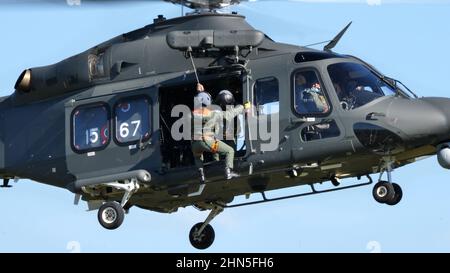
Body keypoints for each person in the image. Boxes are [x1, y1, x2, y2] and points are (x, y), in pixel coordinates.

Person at [191, 84, 250, 182]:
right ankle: (228, 172)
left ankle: (201, 175)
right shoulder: (214, 114)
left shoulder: (192, 114)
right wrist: (242, 107)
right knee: (229, 151)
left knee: (198, 157)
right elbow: (229, 115)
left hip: (195, 145)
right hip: (208, 142)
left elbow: (199, 103)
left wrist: (199, 93)